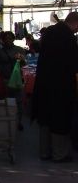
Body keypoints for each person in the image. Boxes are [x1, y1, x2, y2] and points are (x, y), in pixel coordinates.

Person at [32, 12, 78, 163]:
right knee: (60, 118)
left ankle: (44, 152)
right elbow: (72, 63)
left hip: (44, 83)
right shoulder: (68, 36)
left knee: (45, 118)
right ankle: (60, 153)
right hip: (61, 86)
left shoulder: (51, 31)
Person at [0, 31, 26, 129]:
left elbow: (24, 64)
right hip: (5, 80)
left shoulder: (20, 50)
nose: (7, 40)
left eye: (9, 38)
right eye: (5, 38)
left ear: (13, 39)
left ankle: (19, 121)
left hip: (17, 80)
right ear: (2, 40)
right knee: (6, 102)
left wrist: (20, 59)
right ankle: (8, 121)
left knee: (19, 102)